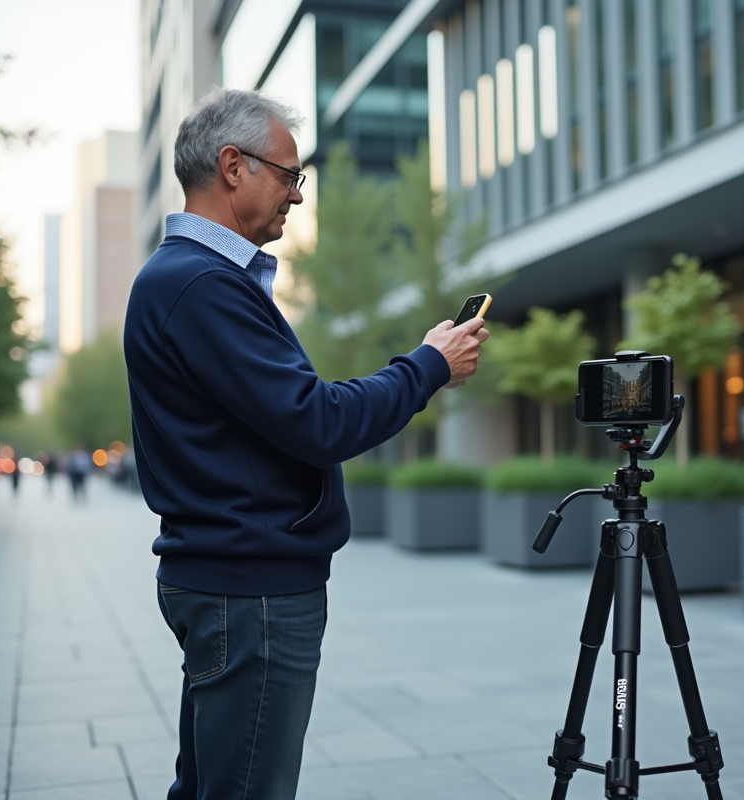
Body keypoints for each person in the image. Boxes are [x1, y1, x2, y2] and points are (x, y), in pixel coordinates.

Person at [122, 88, 488, 800]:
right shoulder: (201, 285)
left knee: (209, 786)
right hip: (251, 590)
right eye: (289, 175)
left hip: (231, 579)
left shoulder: (191, 281)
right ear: (233, 166)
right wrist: (427, 367)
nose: (296, 195)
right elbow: (317, 422)